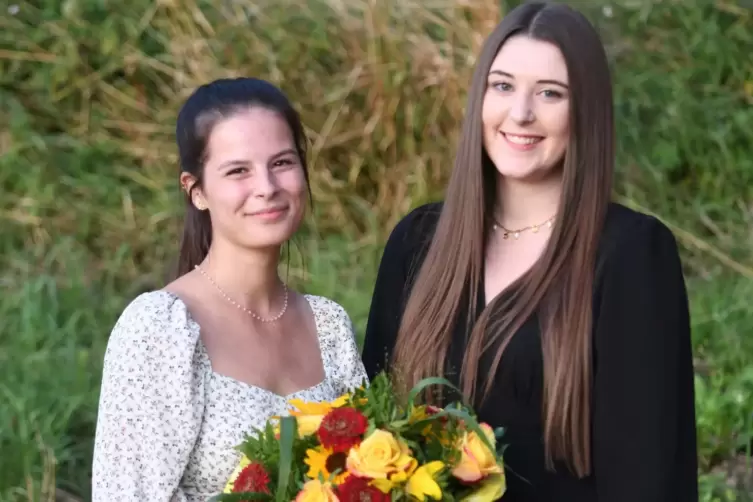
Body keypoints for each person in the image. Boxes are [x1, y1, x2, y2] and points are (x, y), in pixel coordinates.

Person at [361, 2, 697, 501]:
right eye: (503, 86)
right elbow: (372, 428)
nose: (520, 113)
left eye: (550, 93)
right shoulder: (418, 242)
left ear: (585, 110)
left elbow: (647, 475)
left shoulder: (630, 255)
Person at [91, 77, 368, 501]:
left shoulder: (328, 325)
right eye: (238, 170)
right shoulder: (162, 329)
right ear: (197, 191)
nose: (266, 187)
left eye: (282, 163)